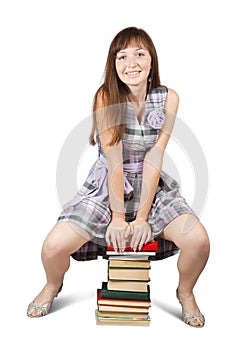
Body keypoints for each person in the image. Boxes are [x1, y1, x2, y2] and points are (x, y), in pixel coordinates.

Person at [27, 26, 210, 327]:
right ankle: (52, 284)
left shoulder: (169, 98)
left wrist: (140, 218)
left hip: (152, 187)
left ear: (152, 61)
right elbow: (114, 160)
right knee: (52, 247)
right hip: (109, 186)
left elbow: (155, 155)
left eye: (140, 54)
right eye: (122, 56)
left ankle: (185, 291)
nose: (131, 63)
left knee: (199, 242)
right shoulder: (106, 96)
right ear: (113, 64)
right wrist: (117, 216)